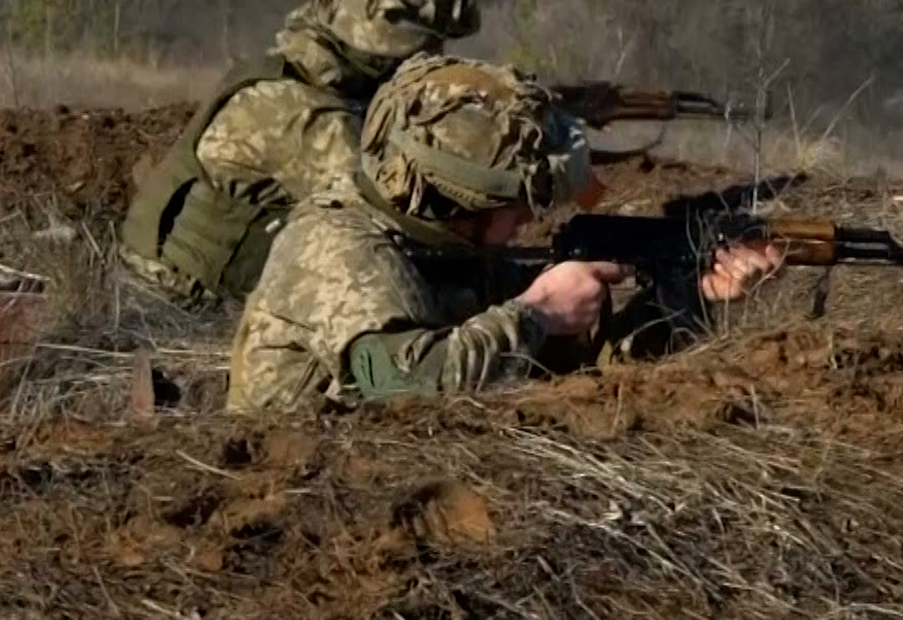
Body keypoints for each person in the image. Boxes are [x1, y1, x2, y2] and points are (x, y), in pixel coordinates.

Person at [226, 54, 784, 414]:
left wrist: (686, 296)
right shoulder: (338, 250)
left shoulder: (444, 245)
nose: (526, 219)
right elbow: (403, 385)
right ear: (459, 199)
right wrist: (537, 313)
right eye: (515, 204)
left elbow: (569, 361)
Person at [119, 0, 485, 304]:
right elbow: (398, 223)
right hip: (178, 301)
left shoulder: (301, 73)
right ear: (383, 43)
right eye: (428, 46)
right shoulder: (301, 113)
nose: (433, 58)